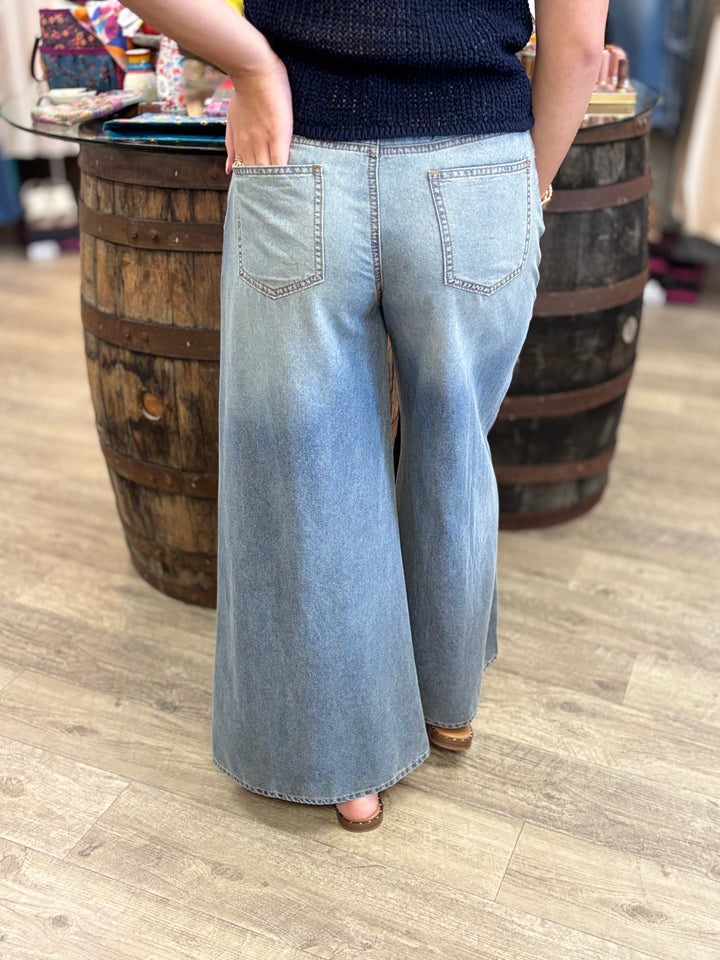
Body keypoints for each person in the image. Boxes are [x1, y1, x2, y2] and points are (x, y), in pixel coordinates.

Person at [126, 0, 609, 832]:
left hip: (299, 149)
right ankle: (447, 702)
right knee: (453, 450)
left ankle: (342, 759)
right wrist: (527, 186)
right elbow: (580, 46)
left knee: (310, 470)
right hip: (477, 165)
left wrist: (251, 64)